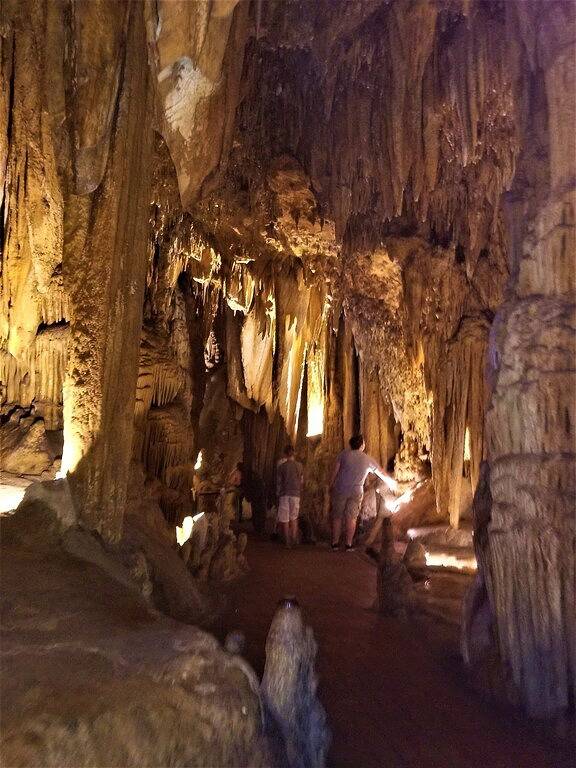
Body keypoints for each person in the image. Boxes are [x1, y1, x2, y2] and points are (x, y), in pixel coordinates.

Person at [329, 434, 396, 551]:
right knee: (352, 517)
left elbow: (335, 471)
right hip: (356, 490)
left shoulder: (343, 455)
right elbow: (380, 472)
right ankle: (349, 544)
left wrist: (330, 484)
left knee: (337, 516)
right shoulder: (367, 459)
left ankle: (335, 543)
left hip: (340, 489)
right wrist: (392, 482)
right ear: (362, 445)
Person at [276, 445, 304, 547]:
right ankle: (294, 539)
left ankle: (287, 542)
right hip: (296, 494)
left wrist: (277, 493)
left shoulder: (282, 467)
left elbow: (279, 482)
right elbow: (301, 481)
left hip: (284, 494)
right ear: (294, 453)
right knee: (294, 517)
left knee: (285, 518)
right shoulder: (300, 466)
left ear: (285, 454)